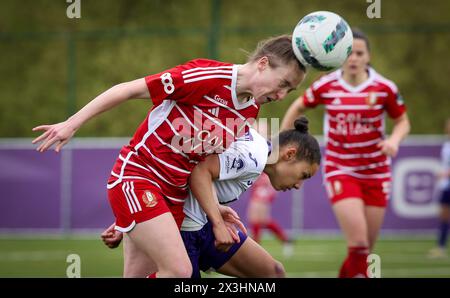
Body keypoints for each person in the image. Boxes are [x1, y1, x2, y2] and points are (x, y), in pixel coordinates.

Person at [33, 35, 306, 277]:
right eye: (283, 83)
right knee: (179, 271)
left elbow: (197, 165)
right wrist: (71, 123)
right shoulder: (207, 76)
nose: (282, 95)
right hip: (139, 177)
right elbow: (128, 89)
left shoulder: (249, 111)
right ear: (262, 63)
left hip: (173, 197)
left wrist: (213, 208)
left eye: (290, 91)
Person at [102, 116, 321, 277]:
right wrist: (217, 222)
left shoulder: (256, 153)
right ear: (289, 154)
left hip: (201, 227)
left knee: (272, 273)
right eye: (303, 175)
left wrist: (215, 209)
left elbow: (187, 164)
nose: (299, 185)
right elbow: (199, 170)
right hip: (183, 231)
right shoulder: (254, 157)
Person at [281, 28, 410, 278]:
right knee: (359, 244)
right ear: (341, 56)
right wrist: (285, 142)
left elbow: (403, 121)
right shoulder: (327, 85)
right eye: (349, 53)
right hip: (342, 169)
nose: (354, 59)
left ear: (368, 57)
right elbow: (298, 105)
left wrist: (394, 140)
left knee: (364, 251)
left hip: (377, 172)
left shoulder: (384, 88)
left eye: (360, 53)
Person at [246, 122, 294, 257]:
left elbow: (274, 166)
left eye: (259, 128)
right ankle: (286, 240)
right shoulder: (253, 142)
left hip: (264, 185)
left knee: (255, 217)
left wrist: (267, 183)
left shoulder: (270, 145)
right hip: (257, 183)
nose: (256, 129)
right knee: (261, 220)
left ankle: (255, 251)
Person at [428, 118, 450, 258]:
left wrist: (445, 173)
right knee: (444, 216)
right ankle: (441, 247)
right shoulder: (447, 144)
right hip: (446, 185)